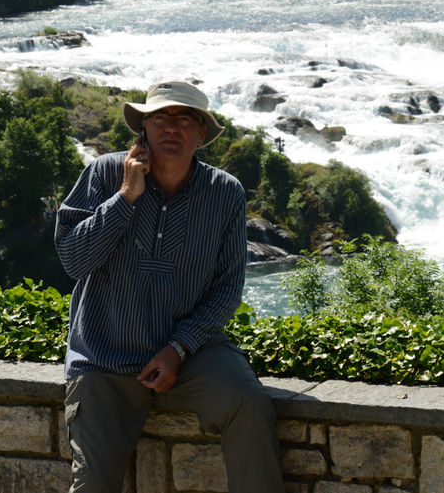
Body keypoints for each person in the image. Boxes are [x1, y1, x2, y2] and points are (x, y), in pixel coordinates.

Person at [55, 80, 284, 493]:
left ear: (202, 133)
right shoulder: (105, 174)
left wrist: (178, 348)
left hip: (192, 350)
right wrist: (125, 196)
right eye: (160, 117)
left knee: (247, 404)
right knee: (93, 485)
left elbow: (227, 287)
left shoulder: (225, 193)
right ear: (143, 129)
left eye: (185, 119)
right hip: (105, 355)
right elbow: (73, 261)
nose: (171, 128)